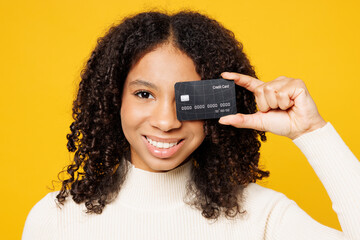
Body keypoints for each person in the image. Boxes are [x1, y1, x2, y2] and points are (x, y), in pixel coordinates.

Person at [22, 11, 360, 240]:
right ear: (114, 100)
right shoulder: (55, 219)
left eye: (185, 99)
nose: (166, 121)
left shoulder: (263, 216)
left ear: (214, 102)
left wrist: (312, 133)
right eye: (144, 94)